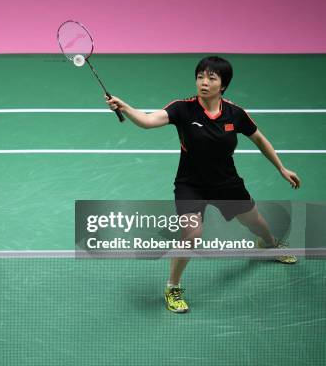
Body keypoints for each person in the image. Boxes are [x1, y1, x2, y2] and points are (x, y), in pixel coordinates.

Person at [105, 56, 301, 313]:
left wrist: (281, 168)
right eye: (200, 76)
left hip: (226, 184)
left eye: (211, 78)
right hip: (191, 185)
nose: (204, 82)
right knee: (192, 235)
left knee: (255, 223)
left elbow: (259, 139)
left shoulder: (235, 113)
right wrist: (126, 108)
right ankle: (173, 287)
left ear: (223, 85)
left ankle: (269, 244)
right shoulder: (182, 109)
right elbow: (148, 121)